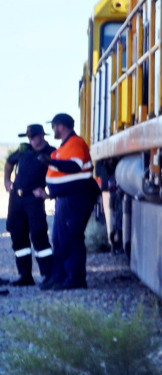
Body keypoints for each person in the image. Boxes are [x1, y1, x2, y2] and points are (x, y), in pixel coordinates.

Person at [42, 113, 99, 291]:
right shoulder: (63, 147)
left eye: (54, 126)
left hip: (77, 197)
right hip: (66, 198)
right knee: (59, 238)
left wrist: (52, 162)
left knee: (71, 237)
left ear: (61, 126)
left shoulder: (76, 143)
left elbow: (75, 166)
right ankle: (59, 276)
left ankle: (75, 279)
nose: (53, 130)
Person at [4, 124, 53, 286]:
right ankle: (25, 276)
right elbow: (9, 163)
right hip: (16, 199)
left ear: (42, 135)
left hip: (34, 200)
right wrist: (7, 180)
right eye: (30, 137)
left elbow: (59, 174)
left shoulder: (51, 153)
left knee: (39, 235)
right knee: (17, 235)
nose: (33, 140)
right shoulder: (23, 151)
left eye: (35, 136)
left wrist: (48, 193)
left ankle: (48, 275)